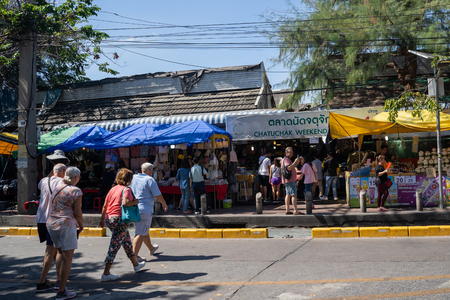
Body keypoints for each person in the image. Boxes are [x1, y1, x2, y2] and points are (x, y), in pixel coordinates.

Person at [99, 168, 146, 281]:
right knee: (114, 247)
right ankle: (106, 273)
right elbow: (125, 202)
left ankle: (136, 265)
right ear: (129, 179)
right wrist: (136, 202)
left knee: (126, 242)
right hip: (120, 220)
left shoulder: (113, 189)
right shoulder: (127, 189)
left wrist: (101, 220)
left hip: (110, 219)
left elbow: (105, 205)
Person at [46, 167, 83, 300]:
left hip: (52, 223)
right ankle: (61, 291)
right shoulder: (76, 190)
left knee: (60, 253)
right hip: (66, 224)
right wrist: (82, 224)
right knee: (68, 257)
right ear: (76, 178)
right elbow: (78, 212)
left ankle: (59, 282)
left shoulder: (57, 187)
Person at [35, 163, 66, 293]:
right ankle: (44, 282)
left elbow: (42, 185)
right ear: (64, 171)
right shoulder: (61, 181)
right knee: (54, 251)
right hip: (52, 219)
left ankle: (57, 279)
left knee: (53, 250)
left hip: (41, 219)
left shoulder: (43, 181)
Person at [131, 163, 168, 262]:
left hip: (134, 208)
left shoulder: (134, 177)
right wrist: (164, 203)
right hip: (145, 209)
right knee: (140, 232)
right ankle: (134, 256)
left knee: (143, 230)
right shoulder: (149, 180)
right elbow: (158, 195)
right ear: (150, 170)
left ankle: (151, 248)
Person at [282, 147, 301, 215]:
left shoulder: (285, 159)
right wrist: (295, 162)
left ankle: (287, 210)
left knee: (288, 194)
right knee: (294, 195)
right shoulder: (286, 159)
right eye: (290, 152)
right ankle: (295, 210)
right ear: (286, 153)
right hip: (290, 180)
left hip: (287, 180)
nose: (291, 153)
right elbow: (289, 168)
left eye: (292, 152)